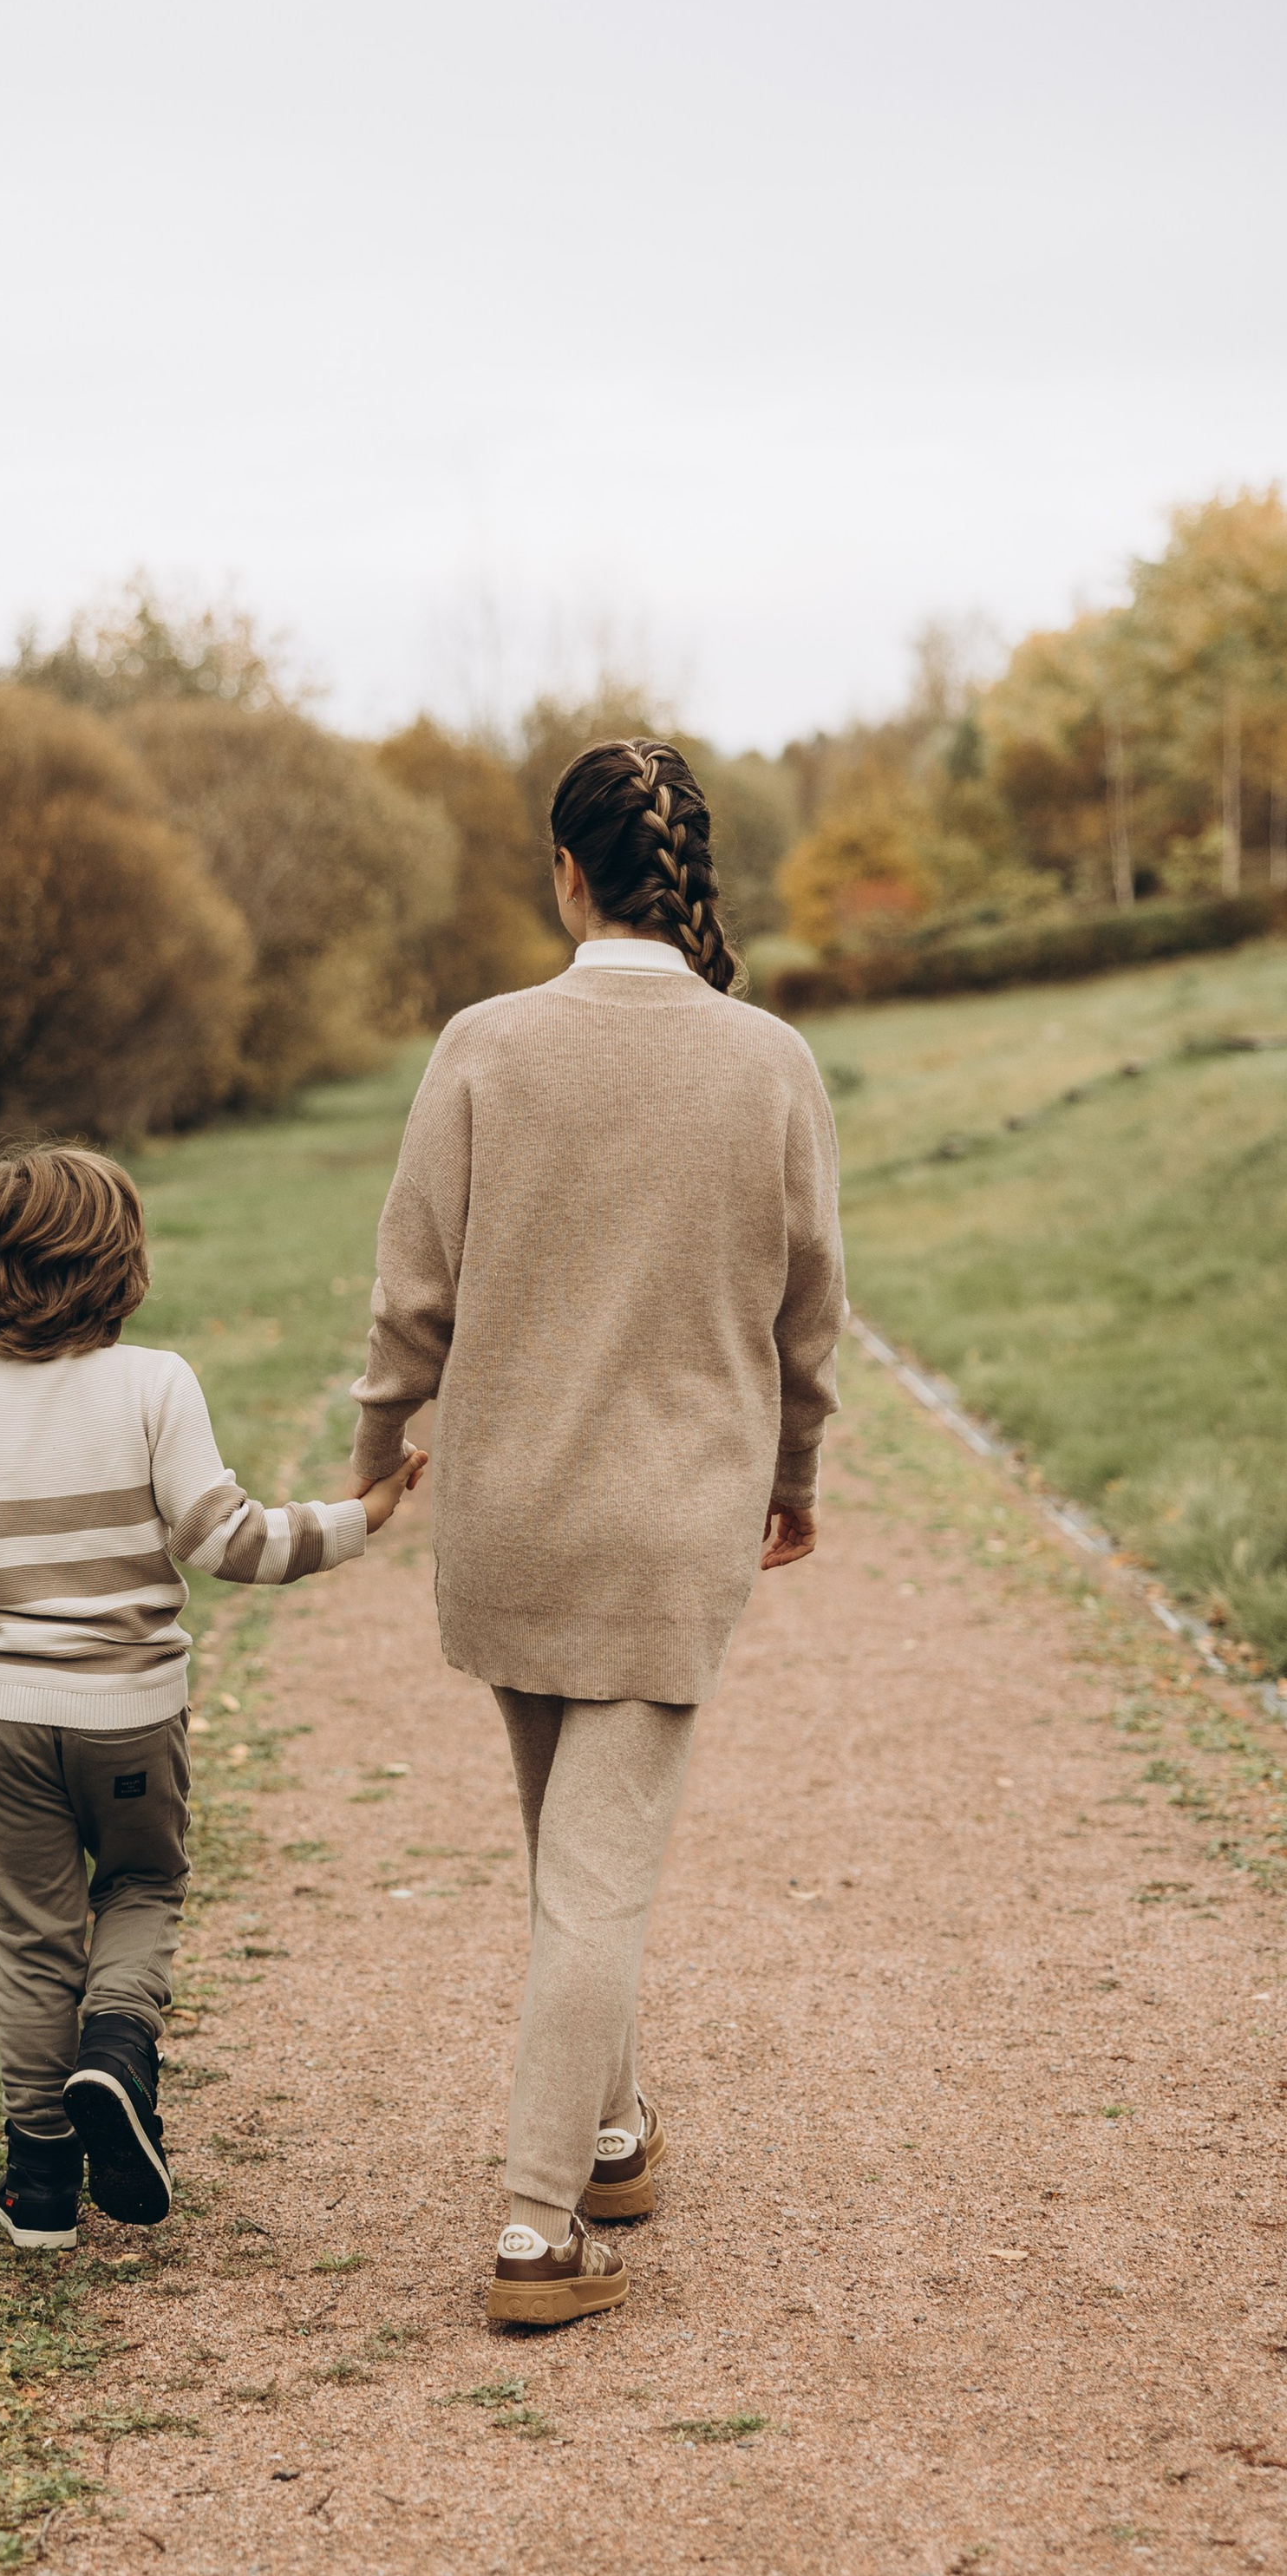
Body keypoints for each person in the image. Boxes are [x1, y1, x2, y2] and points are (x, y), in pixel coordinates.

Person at [346, 738, 846, 2329]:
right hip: (664, 1526)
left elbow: (409, 1296)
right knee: (600, 1878)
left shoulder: (484, 1045)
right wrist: (797, 1468)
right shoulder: (767, 1059)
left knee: (571, 1857)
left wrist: (376, 1455)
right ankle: (534, 2228)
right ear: (688, 872)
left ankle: (613, 2128)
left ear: (567, 872)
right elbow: (809, 1313)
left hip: (506, 1515)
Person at [0, 1144, 420, 2252]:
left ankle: (36, 2187)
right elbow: (229, 1540)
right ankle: (116, 2050)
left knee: (30, 1936)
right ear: (121, 1268)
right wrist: (361, 1515)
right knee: (139, 1885)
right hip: (128, 1711)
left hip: (4, 1717)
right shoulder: (154, 1385)